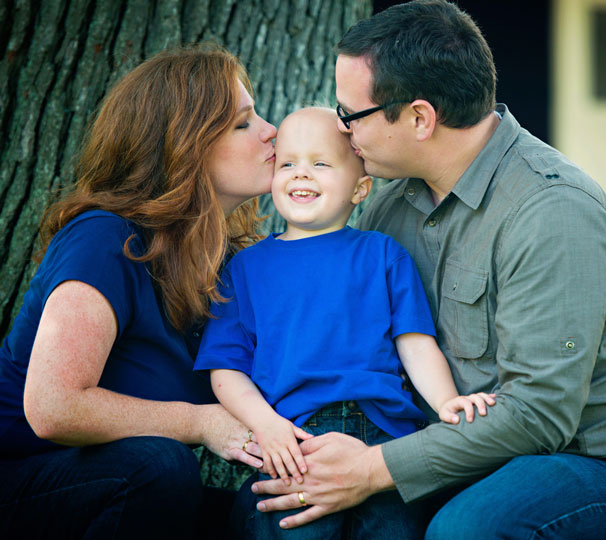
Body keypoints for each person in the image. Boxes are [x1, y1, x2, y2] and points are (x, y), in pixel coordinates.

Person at [251, 2, 606, 539]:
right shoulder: (387, 204)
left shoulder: (552, 212)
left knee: (467, 529)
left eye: (350, 115)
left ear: (420, 118)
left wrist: (372, 469)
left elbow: (540, 415)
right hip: (466, 453)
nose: (341, 129)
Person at [0, 44, 275, 539]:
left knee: (271, 515)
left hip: (114, 493)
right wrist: (202, 423)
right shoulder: (106, 239)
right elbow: (54, 406)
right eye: (242, 123)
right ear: (182, 146)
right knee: (160, 467)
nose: (270, 130)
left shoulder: (233, 269)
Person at [195, 107, 495, 539]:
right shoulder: (245, 269)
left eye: (320, 163)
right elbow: (226, 369)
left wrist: (447, 403)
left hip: (386, 440)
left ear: (360, 188)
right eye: (287, 163)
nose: (301, 174)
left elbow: (415, 343)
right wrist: (266, 425)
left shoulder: (382, 254)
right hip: (294, 443)